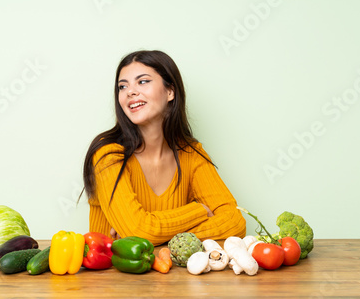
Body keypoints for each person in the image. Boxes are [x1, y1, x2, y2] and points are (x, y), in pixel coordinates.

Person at [81, 50, 245, 246]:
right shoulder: (108, 155)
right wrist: (199, 211)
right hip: (115, 275)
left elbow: (236, 223)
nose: (130, 91)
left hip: (171, 275)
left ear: (170, 91)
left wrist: (154, 235)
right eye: (122, 86)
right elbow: (139, 230)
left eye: (142, 81)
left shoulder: (191, 154)